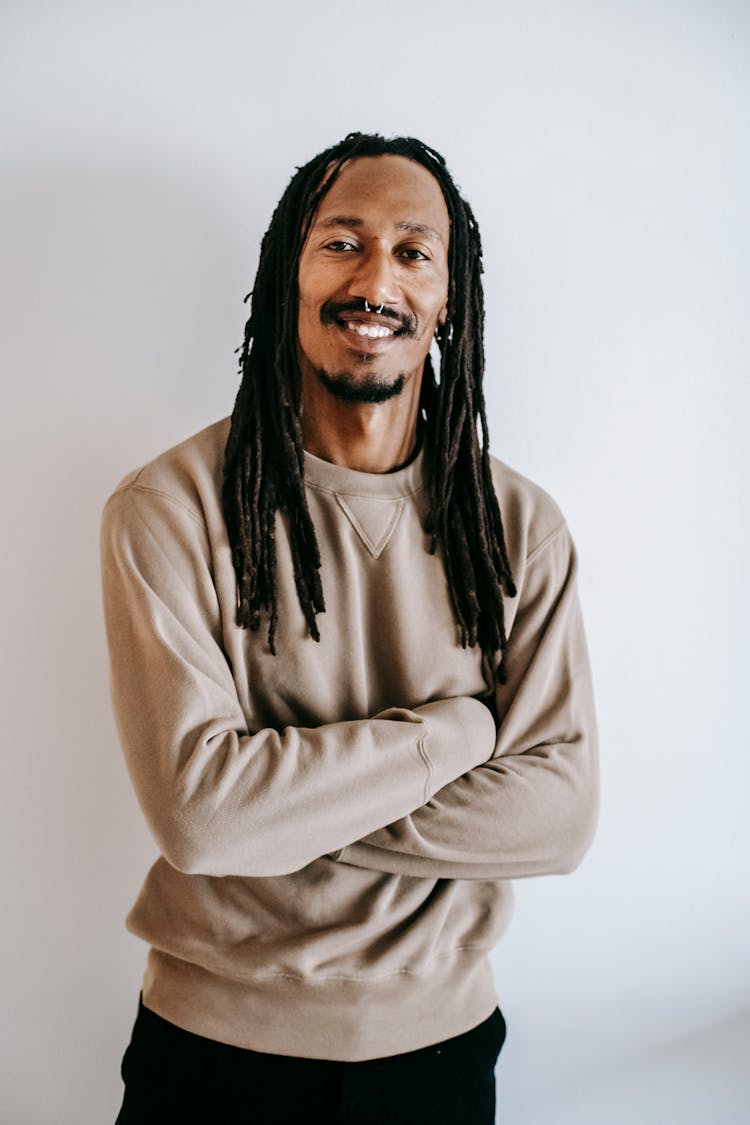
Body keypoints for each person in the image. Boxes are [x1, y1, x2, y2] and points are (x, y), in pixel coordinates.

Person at [101, 132, 598, 1124]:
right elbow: (203, 821)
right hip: (211, 1057)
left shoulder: (519, 528)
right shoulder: (168, 508)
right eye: (342, 242)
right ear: (289, 268)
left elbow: (559, 817)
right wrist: (455, 734)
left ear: (449, 297)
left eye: (414, 251)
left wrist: (282, 805)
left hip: (438, 1059)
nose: (377, 278)